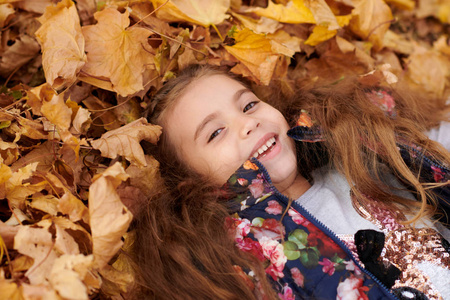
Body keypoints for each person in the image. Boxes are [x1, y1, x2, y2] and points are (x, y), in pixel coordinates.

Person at [129, 64, 450, 299]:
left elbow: (434, 149)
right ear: (193, 183)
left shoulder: (356, 157)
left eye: (248, 104)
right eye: (215, 133)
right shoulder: (243, 265)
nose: (248, 123)